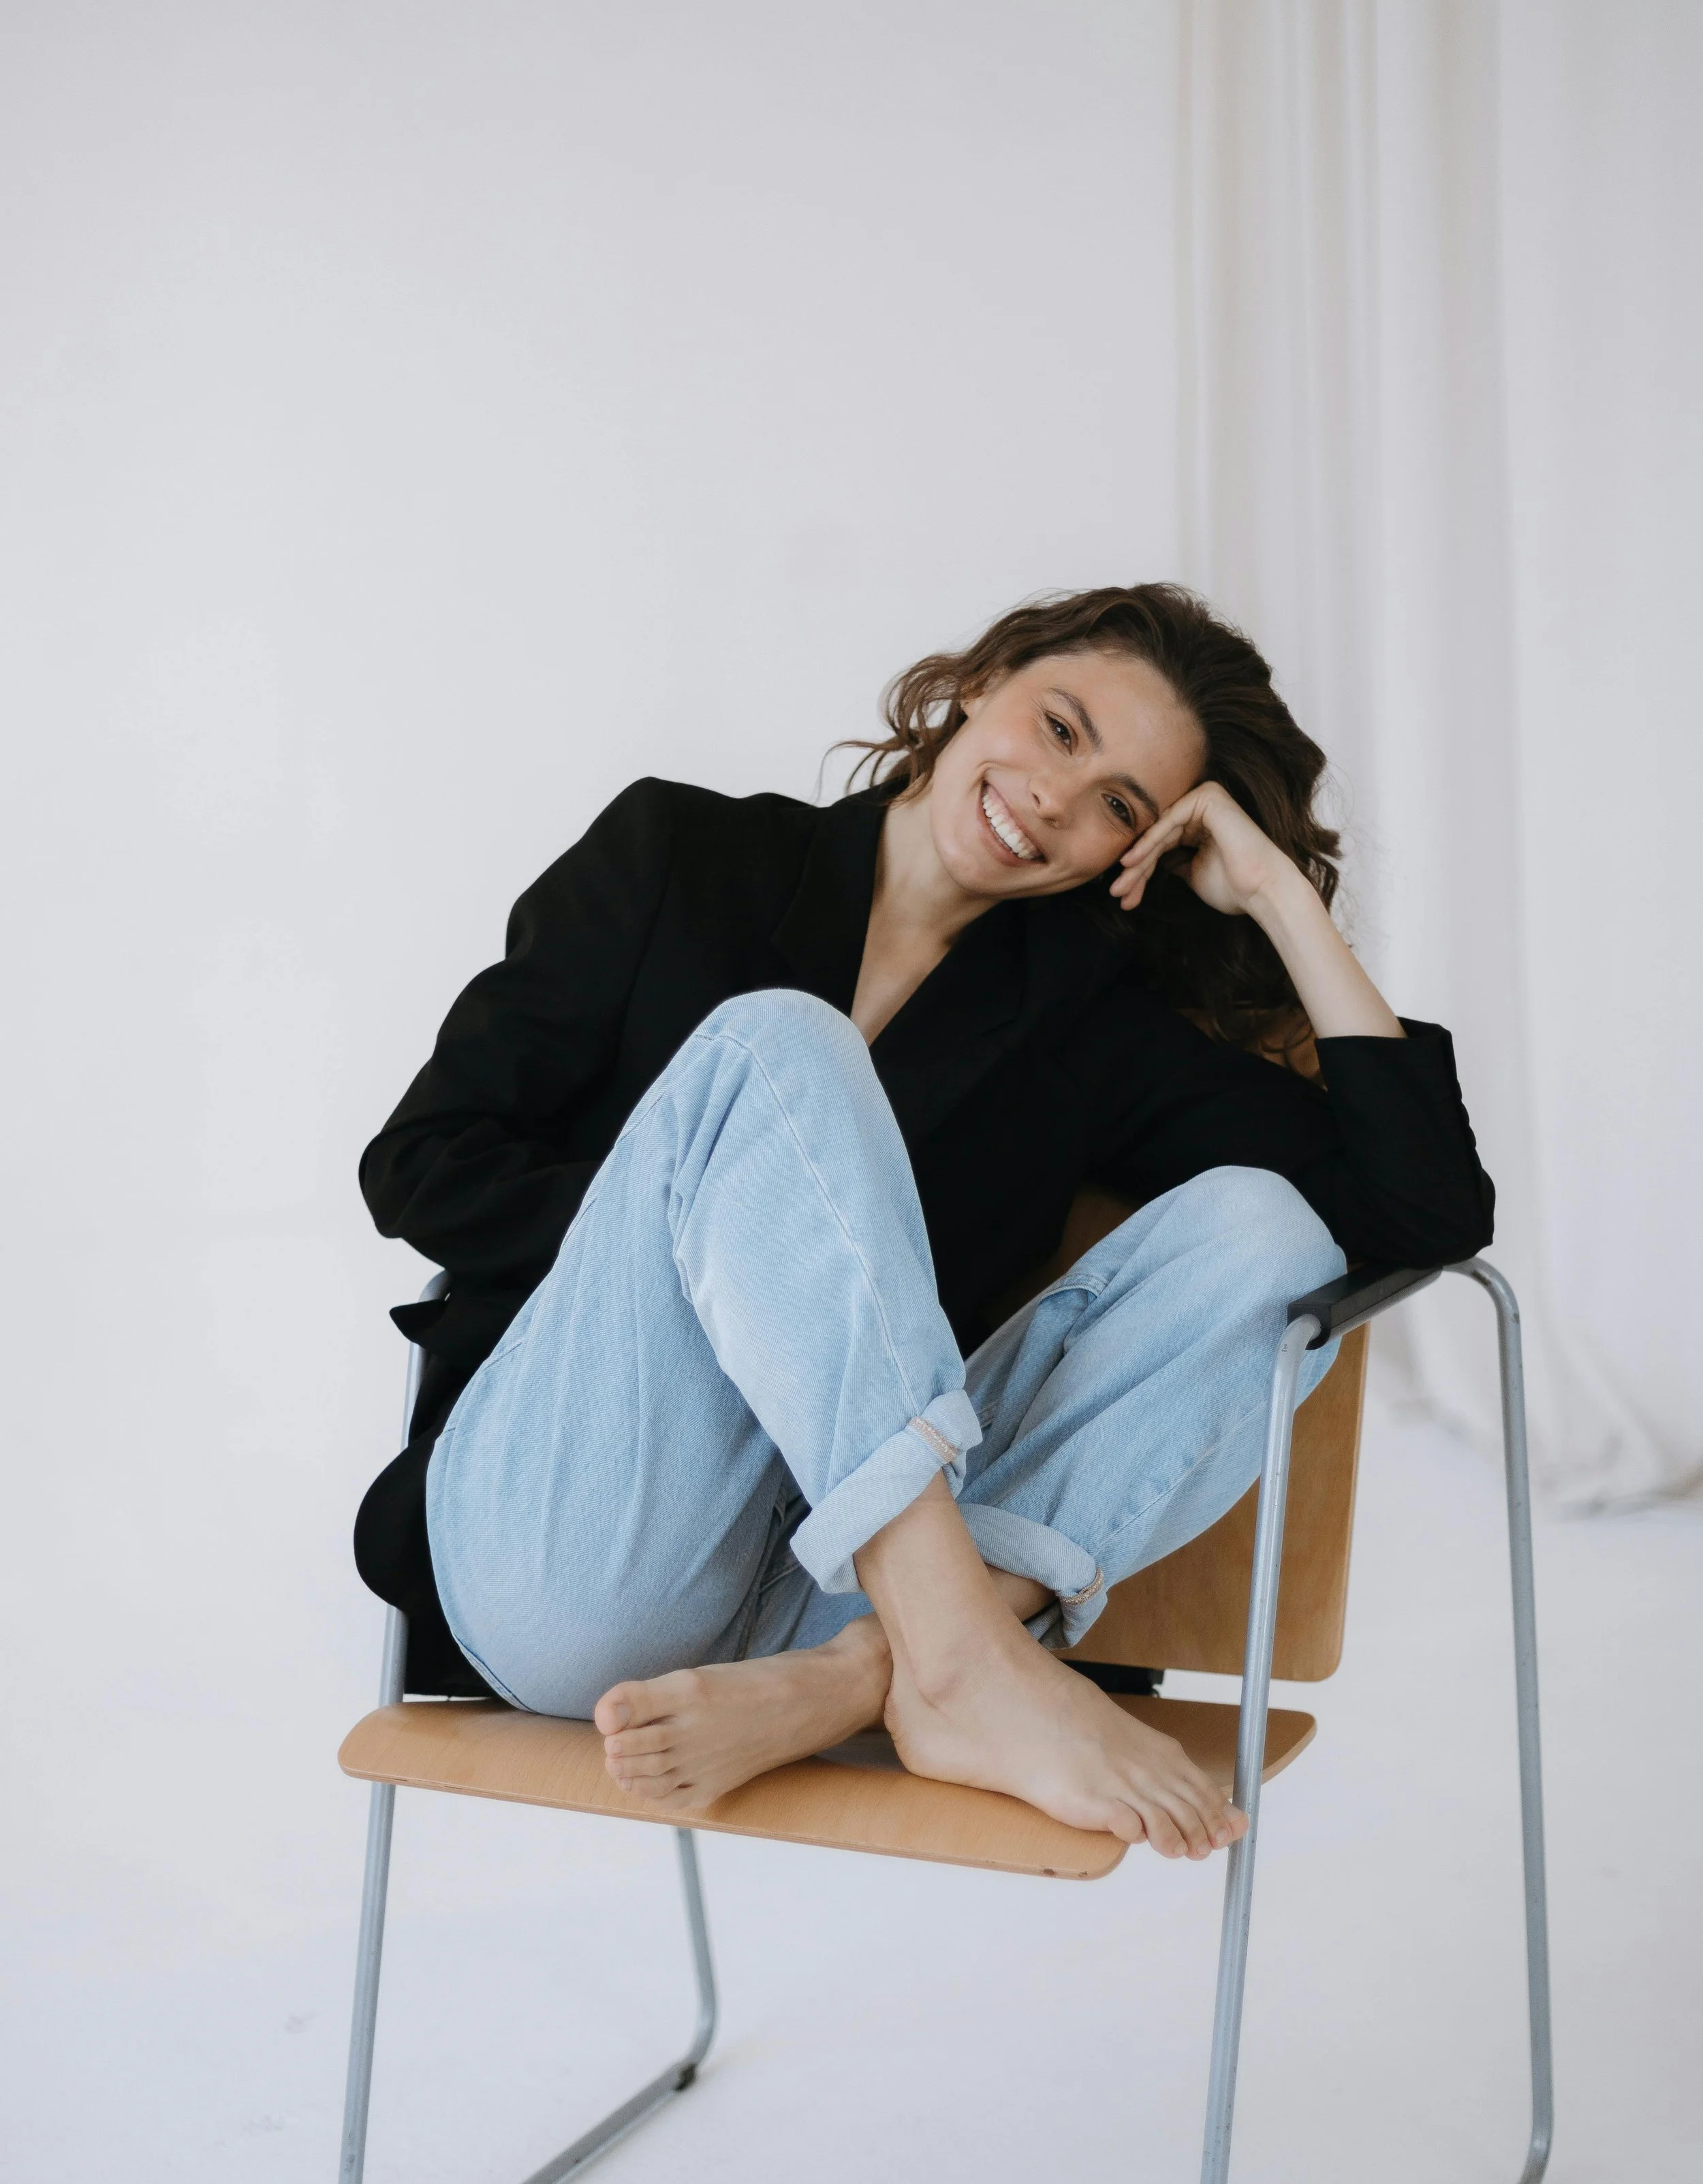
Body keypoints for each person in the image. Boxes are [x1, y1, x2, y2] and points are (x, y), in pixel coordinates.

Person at [354, 585, 1492, 1863]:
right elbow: (421, 1164)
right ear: (982, 681)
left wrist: (1283, 897)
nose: (1060, 797)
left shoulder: (1083, 1024)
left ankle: (880, 1670)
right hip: (576, 1549)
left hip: (822, 1598)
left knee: (1270, 1238)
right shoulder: (682, 854)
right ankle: (963, 1661)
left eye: (1123, 803)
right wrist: (713, 1228)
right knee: (782, 1045)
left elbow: (1416, 1213)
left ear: (1142, 852)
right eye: (1061, 727)